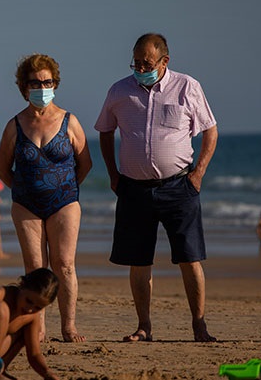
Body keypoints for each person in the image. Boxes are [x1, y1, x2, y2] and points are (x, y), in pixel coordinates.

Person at [94, 33, 218, 342]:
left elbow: (210, 130)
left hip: (179, 186)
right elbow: (105, 131)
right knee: (139, 260)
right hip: (134, 189)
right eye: (136, 62)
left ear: (164, 61)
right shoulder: (119, 91)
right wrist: (113, 174)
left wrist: (199, 173)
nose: (140, 68)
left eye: (146, 64)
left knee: (190, 257)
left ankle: (199, 324)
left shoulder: (187, 86)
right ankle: (144, 326)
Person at [0, 54, 92, 343]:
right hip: (26, 205)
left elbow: (85, 163)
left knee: (64, 265)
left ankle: (69, 326)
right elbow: (2, 169)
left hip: (65, 203)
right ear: (24, 87)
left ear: (55, 84)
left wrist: (64, 189)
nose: (42, 87)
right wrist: (25, 190)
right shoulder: (14, 125)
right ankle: (37, 328)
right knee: (35, 268)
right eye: (35, 83)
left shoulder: (69, 121)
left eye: (47, 82)